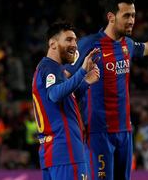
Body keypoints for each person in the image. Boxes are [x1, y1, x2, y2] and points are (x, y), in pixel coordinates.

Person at [65, 0, 148, 180]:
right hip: (98, 132)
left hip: (125, 131)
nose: (132, 20)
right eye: (126, 15)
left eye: (133, 15)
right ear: (111, 17)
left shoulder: (128, 44)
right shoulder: (89, 44)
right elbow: (64, 79)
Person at [32, 21, 100, 180]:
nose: (75, 45)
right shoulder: (50, 68)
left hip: (53, 154)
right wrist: (82, 71)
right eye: (69, 40)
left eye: (75, 40)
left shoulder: (51, 70)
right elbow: (55, 95)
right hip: (67, 152)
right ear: (53, 44)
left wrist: (84, 84)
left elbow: (63, 104)